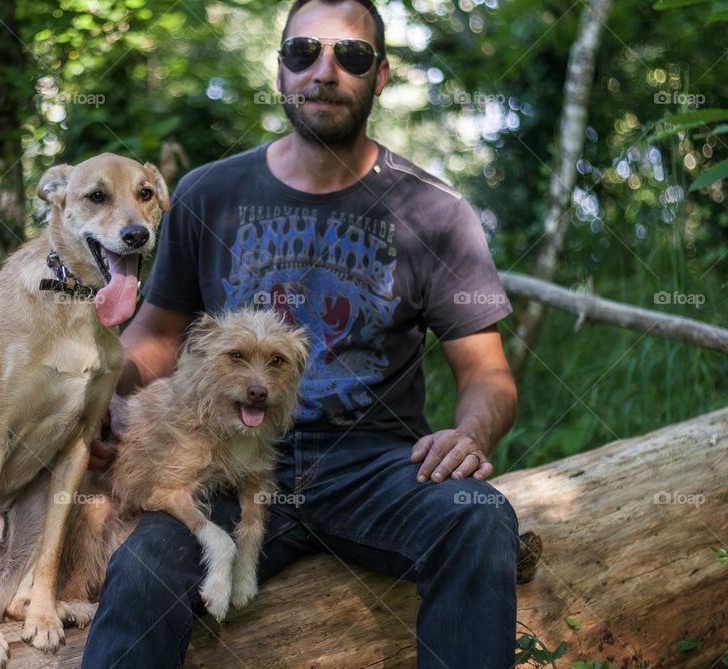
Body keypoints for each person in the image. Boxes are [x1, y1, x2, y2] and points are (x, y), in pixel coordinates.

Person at [82, 0, 519, 666]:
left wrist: (469, 434)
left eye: (351, 57)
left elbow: (487, 374)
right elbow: (158, 333)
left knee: (479, 513)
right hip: (224, 460)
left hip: (375, 465)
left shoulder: (435, 211)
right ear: (280, 66)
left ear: (381, 75)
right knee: (143, 568)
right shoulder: (208, 193)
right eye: (303, 53)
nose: (325, 72)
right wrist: (103, 403)